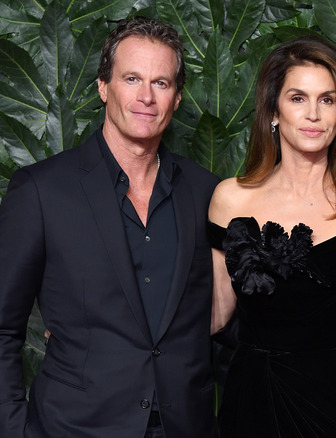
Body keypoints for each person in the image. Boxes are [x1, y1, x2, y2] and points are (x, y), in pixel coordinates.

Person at [0, 17, 219, 438]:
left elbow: (227, 321)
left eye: (161, 83)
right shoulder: (42, 191)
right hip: (74, 427)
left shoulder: (205, 191)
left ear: (176, 99)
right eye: (132, 78)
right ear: (104, 87)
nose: (145, 97)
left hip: (185, 427)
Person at [208, 35, 336, 438]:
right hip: (253, 404)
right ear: (273, 110)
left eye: (328, 99)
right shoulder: (230, 198)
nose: (314, 114)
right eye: (298, 98)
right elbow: (215, 313)